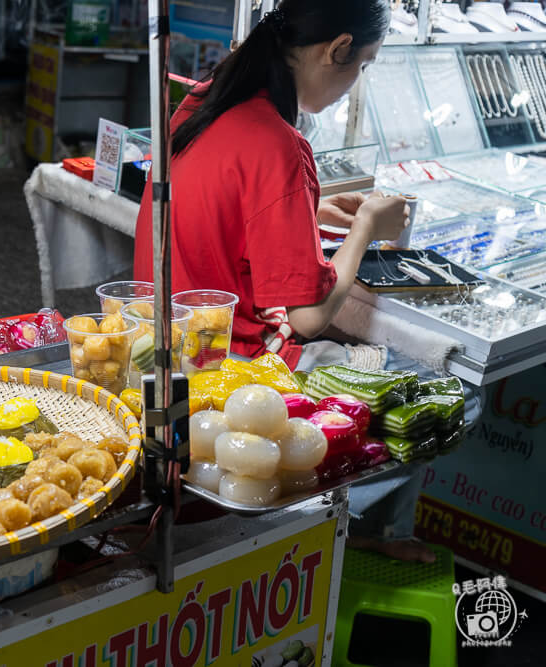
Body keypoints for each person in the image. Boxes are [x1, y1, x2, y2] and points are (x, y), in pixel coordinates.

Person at [133, 0, 458, 562]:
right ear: (337, 49)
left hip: (163, 342)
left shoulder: (204, 101)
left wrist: (312, 205)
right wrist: (363, 228)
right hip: (233, 366)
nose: (357, 79)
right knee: (445, 400)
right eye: (365, 63)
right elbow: (308, 317)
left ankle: (350, 532)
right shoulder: (281, 143)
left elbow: (233, 206)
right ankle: (344, 532)